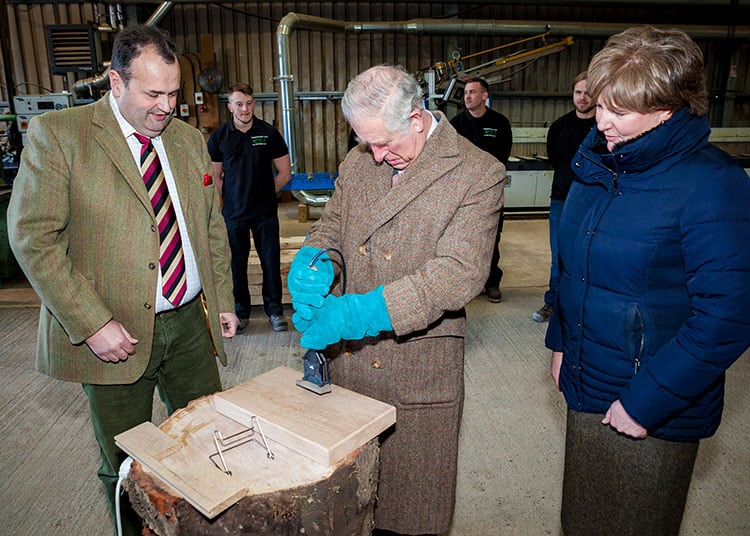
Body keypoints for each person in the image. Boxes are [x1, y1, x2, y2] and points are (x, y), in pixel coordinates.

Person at [7, 25, 238, 535]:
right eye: (153, 93)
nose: (166, 106)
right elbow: (33, 238)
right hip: (116, 335)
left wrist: (220, 297)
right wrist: (92, 323)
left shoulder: (186, 140)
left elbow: (208, 226)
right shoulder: (61, 137)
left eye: (174, 93)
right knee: (127, 464)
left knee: (209, 443)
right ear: (115, 82)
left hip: (190, 326)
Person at [544, 26, 750, 535]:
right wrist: (561, 341)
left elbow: (728, 316)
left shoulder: (712, 183)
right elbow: (573, 267)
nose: (602, 121)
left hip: (652, 403)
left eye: (620, 111)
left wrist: (647, 402)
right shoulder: (599, 164)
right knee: (584, 521)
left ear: (667, 111)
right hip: (587, 380)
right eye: (601, 105)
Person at [287, 65, 504, 535]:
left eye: (386, 142)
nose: (378, 156)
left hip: (417, 369)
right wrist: (316, 259)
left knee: (409, 513)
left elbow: (457, 273)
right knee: (346, 506)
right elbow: (332, 228)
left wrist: (357, 312)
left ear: (418, 117)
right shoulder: (359, 160)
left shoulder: (477, 172)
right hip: (351, 368)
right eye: (368, 143)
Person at [208, 83, 292, 332]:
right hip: (234, 216)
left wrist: (264, 194)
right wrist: (231, 198)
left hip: (265, 214)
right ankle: (241, 312)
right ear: (230, 106)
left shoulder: (268, 133)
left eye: (249, 103)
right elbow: (215, 178)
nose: (245, 109)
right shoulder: (220, 137)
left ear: (254, 103)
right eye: (239, 104)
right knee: (236, 265)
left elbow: (285, 173)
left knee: (270, 263)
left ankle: (275, 311)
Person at [532, 72, 596, 323]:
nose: (582, 97)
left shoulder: (603, 129)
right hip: (561, 201)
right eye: (578, 92)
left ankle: (583, 308)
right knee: (559, 256)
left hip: (593, 203)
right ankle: (553, 303)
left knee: (589, 256)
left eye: (588, 92)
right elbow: (555, 159)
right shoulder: (560, 126)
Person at [450, 77, 512, 303]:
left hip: (489, 193)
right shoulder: (456, 125)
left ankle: (492, 282)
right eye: (466, 92)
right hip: (461, 193)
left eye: (473, 92)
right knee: (460, 238)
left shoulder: (500, 123)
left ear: (485, 96)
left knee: (491, 238)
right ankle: (465, 282)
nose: (467, 96)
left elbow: (500, 159)